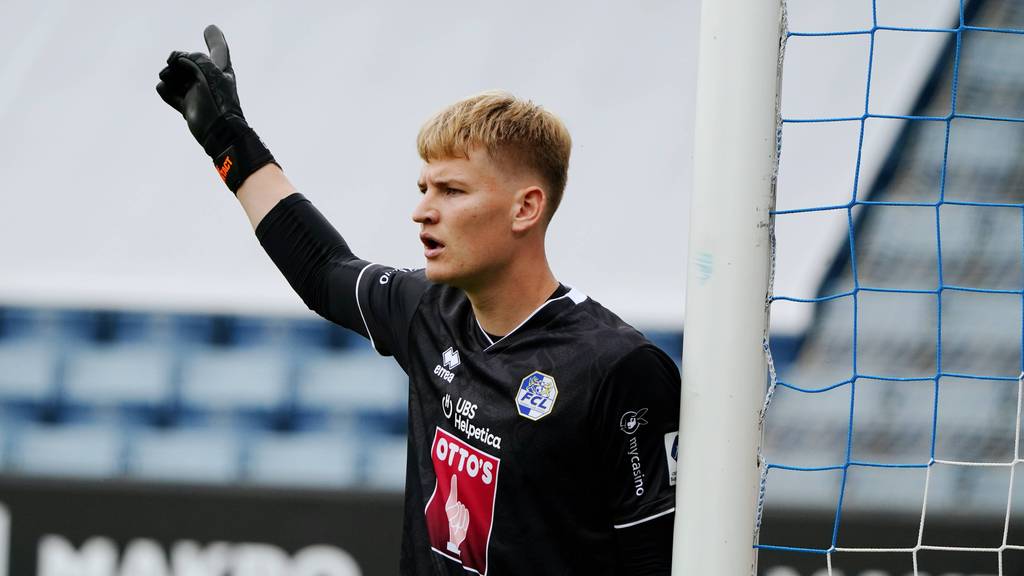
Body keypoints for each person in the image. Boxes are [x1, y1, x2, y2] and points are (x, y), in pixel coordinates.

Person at [157, 25, 681, 576]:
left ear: (526, 208)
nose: (422, 211)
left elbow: (658, 562)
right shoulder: (430, 311)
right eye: (423, 189)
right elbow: (321, 270)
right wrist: (225, 138)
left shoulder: (617, 368)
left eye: (451, 191)